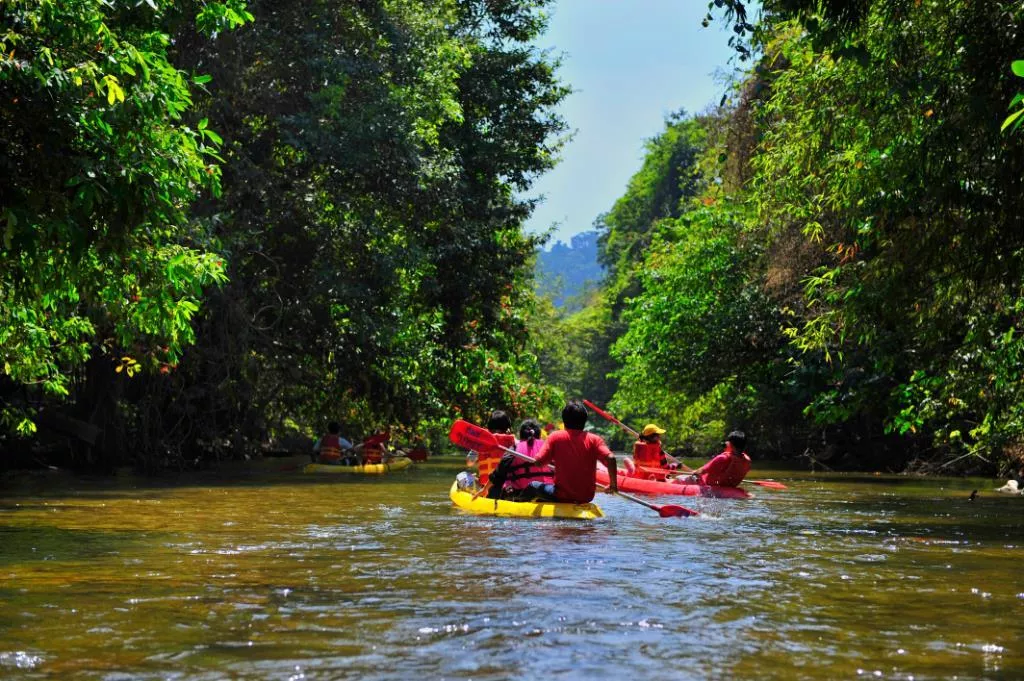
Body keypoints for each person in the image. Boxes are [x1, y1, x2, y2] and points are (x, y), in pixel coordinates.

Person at [527, 400, 617, 503]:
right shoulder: (595, 439)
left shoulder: (555, 437)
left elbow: (539, 462)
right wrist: (613, 485)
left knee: (533, 485)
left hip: (561, 495)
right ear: (584, 421)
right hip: (586, 497)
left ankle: (516, 502)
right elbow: (611, 458)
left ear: (564, 420)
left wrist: (540, 459)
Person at [487, 418, 554, 500]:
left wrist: (484, 489)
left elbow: (498, 475)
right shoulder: (548, 447)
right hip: (546, 495)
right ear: (539, 435)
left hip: (519, 496)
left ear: (521, 435)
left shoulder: (514, 449)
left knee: (497, 485)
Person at [681, 430, 751, 487]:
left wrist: (694, 472)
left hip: (706, 485)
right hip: (730, 487)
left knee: (680, 478)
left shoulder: (722, 458)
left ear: (730, 444)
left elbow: (700, 471)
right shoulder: (747, 461)